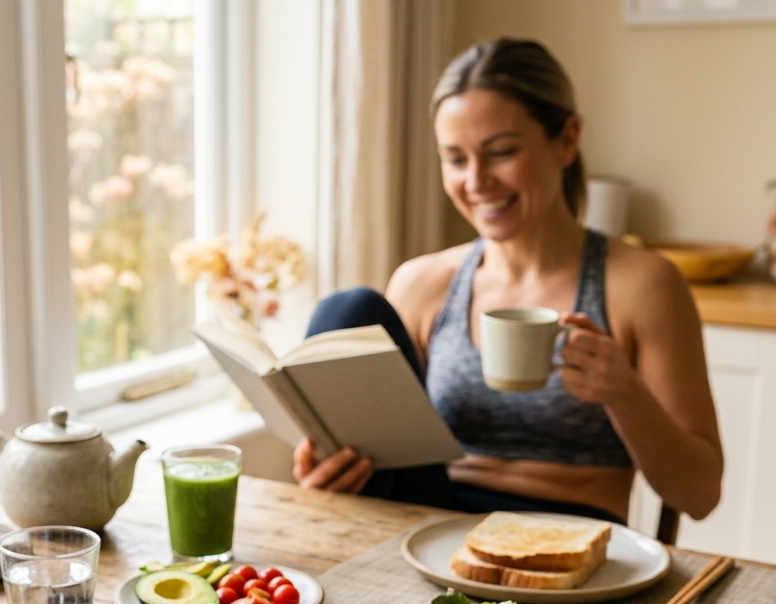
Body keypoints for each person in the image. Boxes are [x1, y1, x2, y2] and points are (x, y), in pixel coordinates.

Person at [293, 37, 722, 524]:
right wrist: (328, 472)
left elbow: (701, 494)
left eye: (500, 152)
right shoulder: (423, 285)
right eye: (456, 159)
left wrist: (623, 392)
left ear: (566, 140)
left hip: (568, 540)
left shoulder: (641, 285)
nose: (476, 181)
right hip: (434, 531)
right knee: (348, 313)